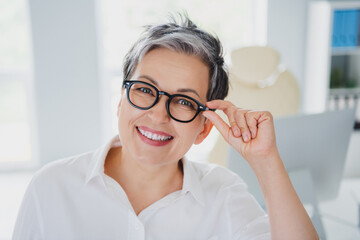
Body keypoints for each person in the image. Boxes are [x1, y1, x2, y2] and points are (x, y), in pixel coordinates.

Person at [13, 14, 319, 239]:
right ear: (122, 99)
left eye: (184, 102)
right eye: (145, 90)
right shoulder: (51, 187)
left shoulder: (223, 195)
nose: (159, 115)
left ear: (204, 128)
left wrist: (265, 161)